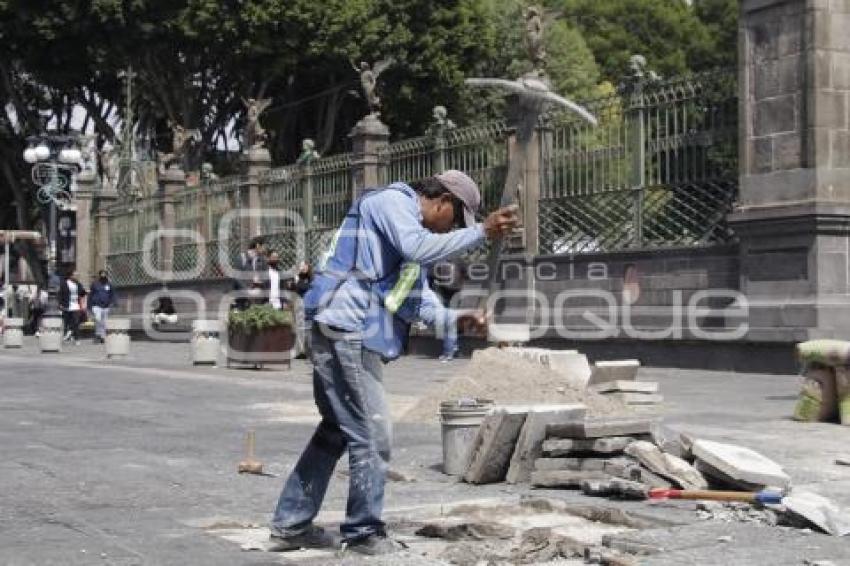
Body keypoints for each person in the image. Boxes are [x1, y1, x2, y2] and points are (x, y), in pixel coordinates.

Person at [268, 170, 517, 555]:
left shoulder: (408, 243)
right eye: (453, 221)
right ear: (442, 202)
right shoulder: (390, 204)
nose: (449, 230)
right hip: (344, 328)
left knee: (337, 429)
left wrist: (459, 319)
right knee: (372, 432)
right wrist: (482, 232)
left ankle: (291, 524)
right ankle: (364, 531)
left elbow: (418, 301)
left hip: (350, 332)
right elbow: (418, 247)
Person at [233, 237, 267, 310]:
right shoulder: (242, 258)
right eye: (264, 247)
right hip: (243, 300)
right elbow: (237, 278)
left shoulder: (262, 260)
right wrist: (247, 291)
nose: (265, 249)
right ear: (258, 246)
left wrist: (261, 282)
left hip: (258, 297)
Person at [59, 270, 87, 344]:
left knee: (76, 322)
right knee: (66, 322)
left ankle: (77, 338)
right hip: (67, 305)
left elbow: (82, 293)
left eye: (78, 275)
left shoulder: (78, 284)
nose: (77, 277)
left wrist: (84, 294)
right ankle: (66, 336)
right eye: (75, 275)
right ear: (71, 276)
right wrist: (60, 304)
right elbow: (60, 294)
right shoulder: (65, 284)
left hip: (76, 306)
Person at [88, 270, 116, 343]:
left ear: (106, 275)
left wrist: (113, 302)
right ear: (99, 275)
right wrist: (89, 306)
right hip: (96, 305)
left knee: (104, 322)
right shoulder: (95, 284)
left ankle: (102, 336)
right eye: (102, 274)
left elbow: (112, 294)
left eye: (105, 274)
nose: (103, 276)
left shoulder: (109, 284)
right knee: (98, 319)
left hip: (106, 306)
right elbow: (90, 295)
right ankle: (97, 334)